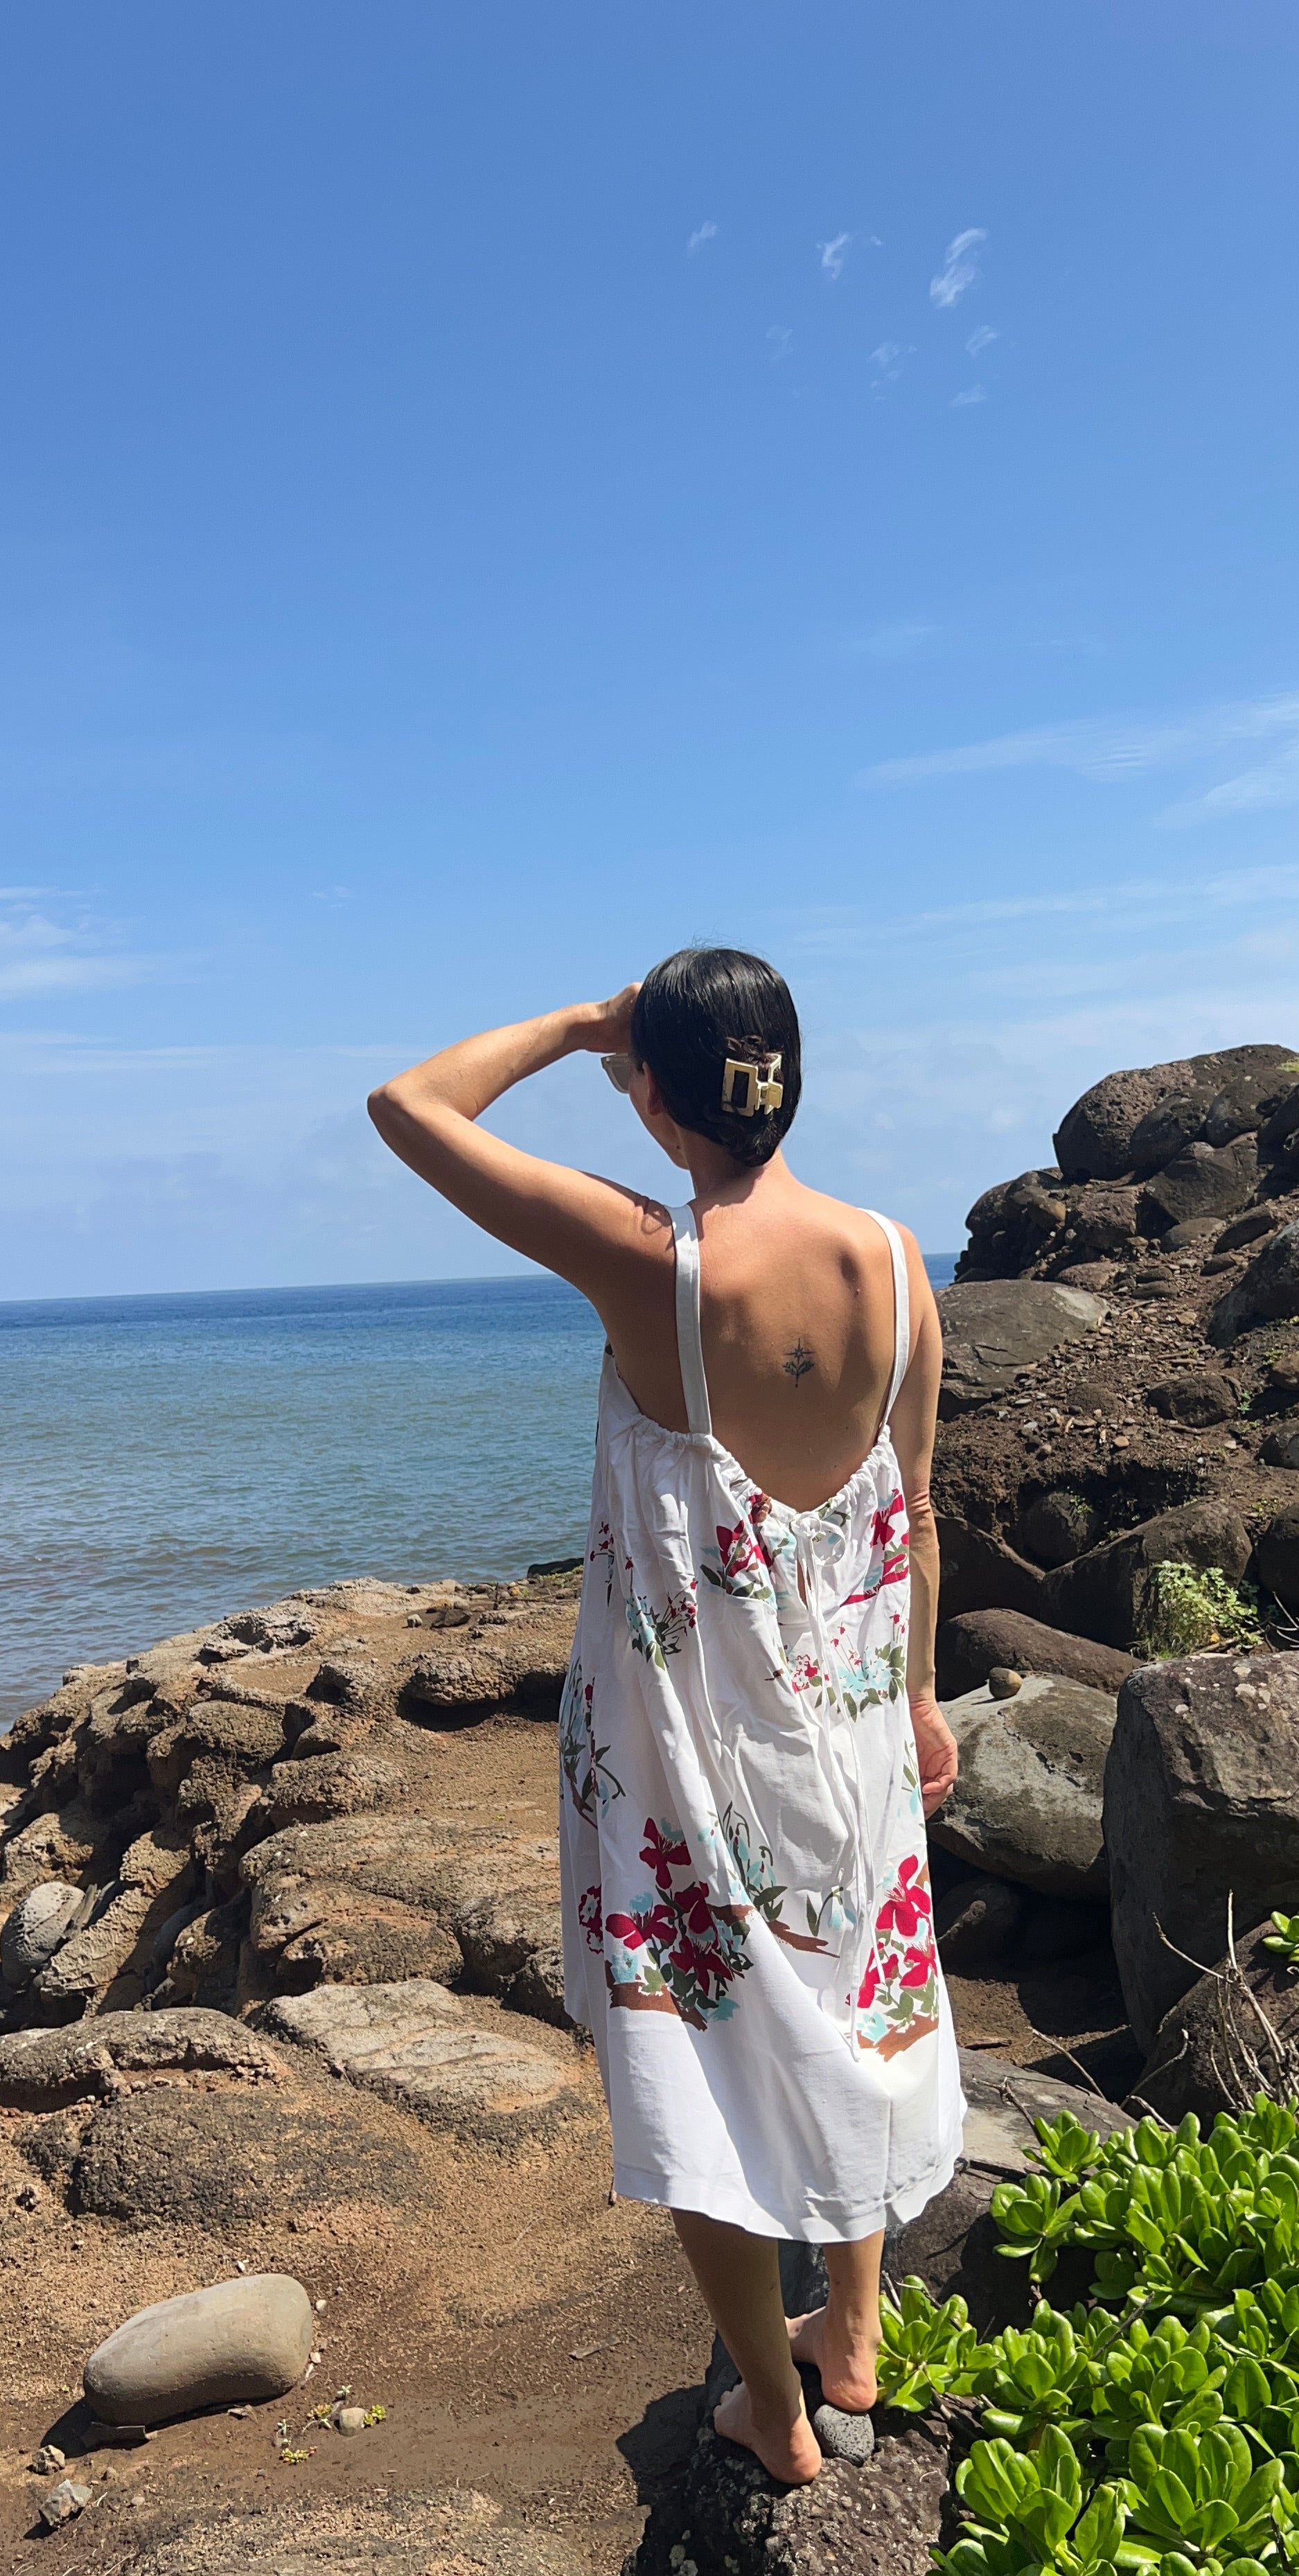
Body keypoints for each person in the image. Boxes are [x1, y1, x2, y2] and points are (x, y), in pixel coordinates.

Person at [368, 947, 962, 2484]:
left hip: (688, 1748)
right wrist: (919, 1700)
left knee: (700, 2061)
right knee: (850, 2014)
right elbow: (916, 1518)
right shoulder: (899, 1263)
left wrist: (578, 1026)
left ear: (656, 1090)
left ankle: (773, 2411)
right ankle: (855, 2328)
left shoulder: (656, 1260)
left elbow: (408, 1104)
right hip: (846, 1724)